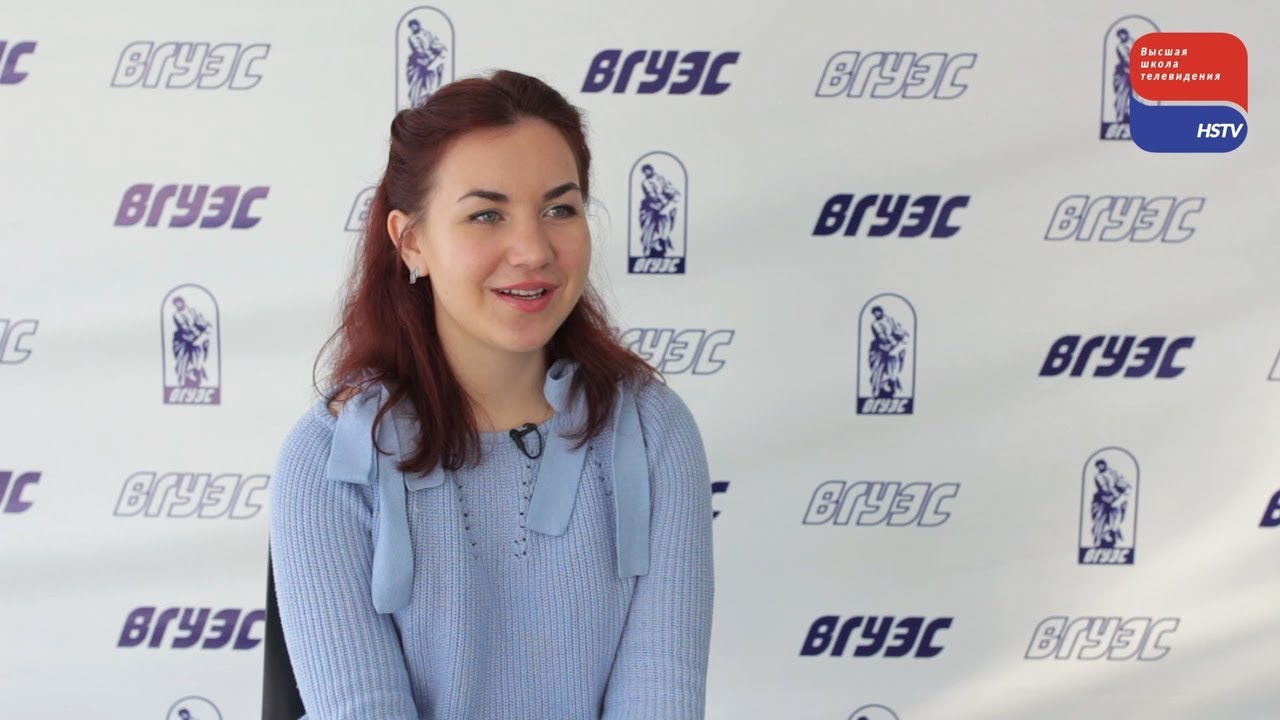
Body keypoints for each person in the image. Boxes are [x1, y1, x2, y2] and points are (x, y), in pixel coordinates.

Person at [270, 70, 714, 719]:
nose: (533, 250)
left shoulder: (654, 431)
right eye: (486, 214)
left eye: (560, 209)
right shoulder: (329, 459)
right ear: (411, 242)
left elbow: (660, 695)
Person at [637, 163, 680, 257]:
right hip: (652, 208)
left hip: (665, 206)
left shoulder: (660, 177)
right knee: (649, 229)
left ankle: (664, 245)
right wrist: (661, 201)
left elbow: (667, 188)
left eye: (648, 170)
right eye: (645, 172)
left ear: (651, 170)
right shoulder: (646, 182)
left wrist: (671, 194)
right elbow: (651, 195)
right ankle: (647, 248)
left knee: (666, 227)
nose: (647, 173)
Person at [867, 306, 909, 398]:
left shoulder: (890, 319)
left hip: (894, 348)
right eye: (874, 313)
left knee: (893, 371)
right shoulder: (875, 324)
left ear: (881, 311)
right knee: (878, 371)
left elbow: (898, 330)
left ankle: (895, 389)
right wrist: (888, 344)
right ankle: (876, 391)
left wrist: (899, 338)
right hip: (880, 350)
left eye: (877, 312)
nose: (876, 314)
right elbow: (881, 336)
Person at [170, 296, 212, 388]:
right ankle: (185, 380)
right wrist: (196, 334)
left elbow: (200, 320)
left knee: (199, 357)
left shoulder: (192, 310)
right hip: (185, 339)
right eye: (176, 304)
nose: (178, 305)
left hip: (198, 337)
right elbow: (184, 327)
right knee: (184, 361)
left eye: (179, 303)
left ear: (183, 302)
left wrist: (205, 326)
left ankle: (199, 376)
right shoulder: (177, 315)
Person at [405, 19, 447, 108]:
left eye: (414, 25)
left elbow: (436, 43)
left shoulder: (428, 33)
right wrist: (426, 58)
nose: (413, 28)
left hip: (432, 61)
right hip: (421, 63)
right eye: (411, 26)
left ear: (418, 25)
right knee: (417, 86)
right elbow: (418, 50)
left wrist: (437, 50)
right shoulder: (412, 38)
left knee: (433, 85)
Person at [1090, 459, 1131, 548]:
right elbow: (1103, 488)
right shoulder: (1098, 476)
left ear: (1105, 464)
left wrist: (1119, 497)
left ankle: (1115, 538)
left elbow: (1124, 486)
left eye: (1101, 465)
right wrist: (1106, 497)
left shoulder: (1114, 473)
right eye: (1098, 466)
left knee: (1115, 521)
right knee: (1100, 521)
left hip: (1116, 499)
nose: (1100, 467)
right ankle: (1099, 540)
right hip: (1104, 500)